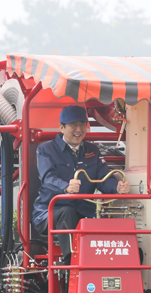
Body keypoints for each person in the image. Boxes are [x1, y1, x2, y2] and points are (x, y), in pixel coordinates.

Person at [32, 105, 131, 264]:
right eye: (73, 125)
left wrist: (117, 187)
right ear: (61, 128)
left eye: (82, 124)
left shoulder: (93, 150)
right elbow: (47, 178)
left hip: (85, 211)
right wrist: (65, 187)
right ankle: (71, 264)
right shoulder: (46, 150)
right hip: (50, 212)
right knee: (67, 212)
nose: (79, 129)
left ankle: (118, 263)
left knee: (108, 219)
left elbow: (104, 177)